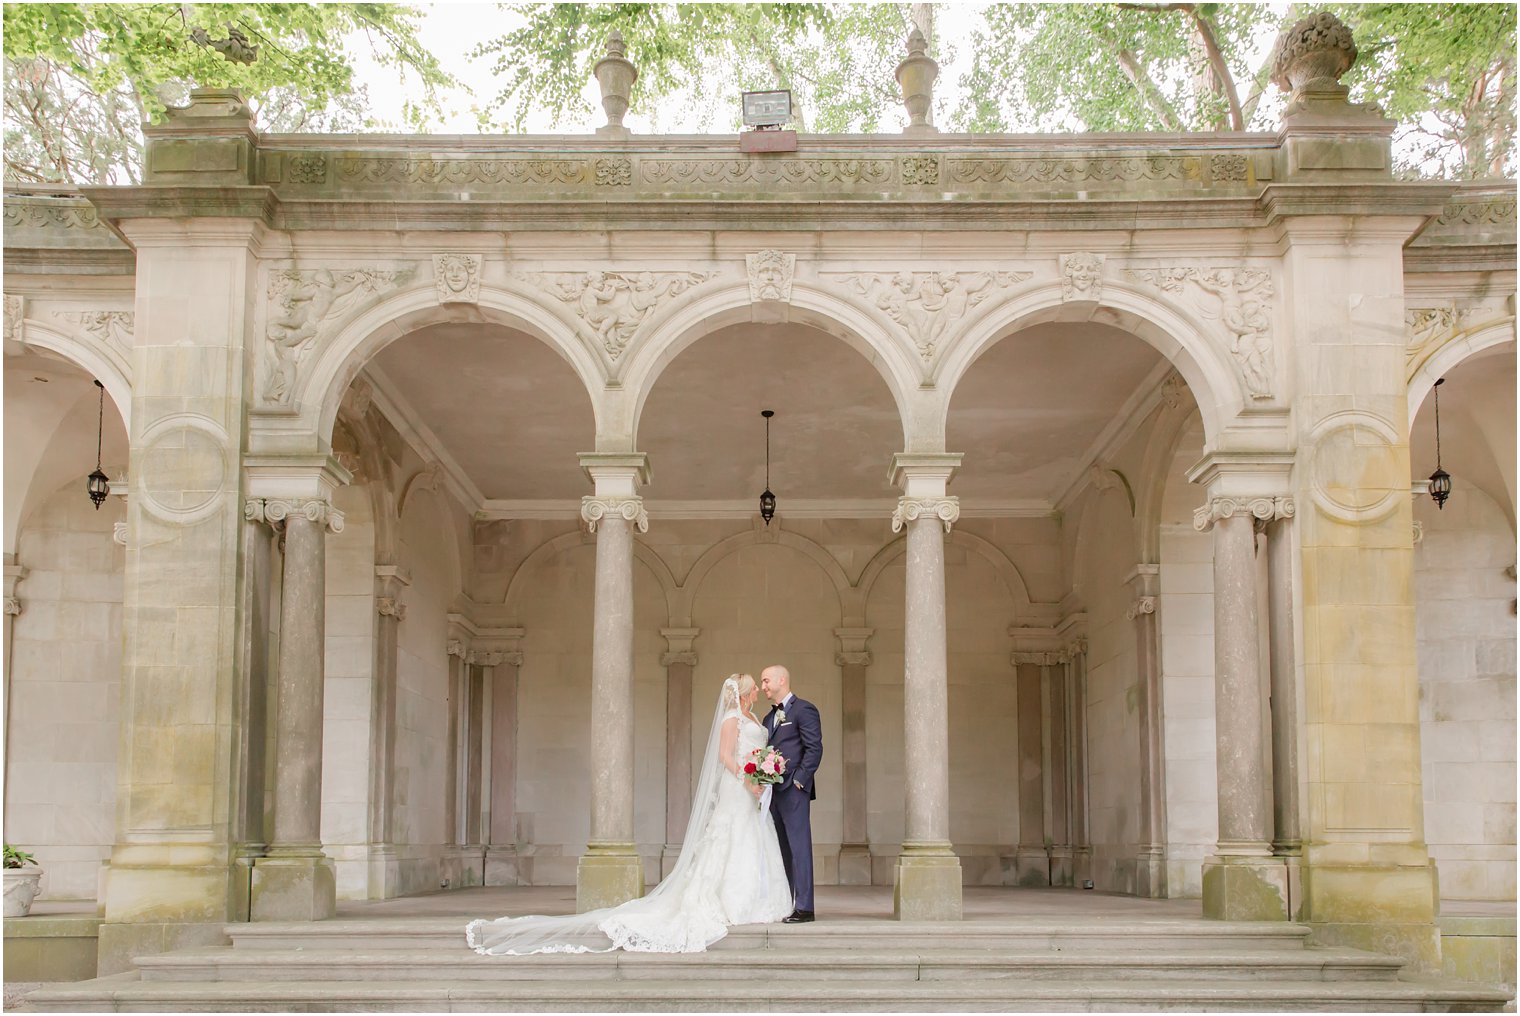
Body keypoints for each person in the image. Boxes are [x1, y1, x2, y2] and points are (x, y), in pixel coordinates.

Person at [466, 674, 793, 955]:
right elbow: (725, 755)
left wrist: (763, 774)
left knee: (754, 840)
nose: (757, 691)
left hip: (753, 791)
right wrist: (747, 779)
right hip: (737, 788)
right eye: (754, 687)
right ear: (745, 691)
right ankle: (729, 903)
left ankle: (760, 901)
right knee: (730, 840)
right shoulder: (732, 718)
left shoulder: (754, 718)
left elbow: (757, 752)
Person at [759, 664, 823, 923]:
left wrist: (799, 780)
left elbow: (814, 748)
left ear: (781, 680)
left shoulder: (804, 709)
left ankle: (805, 907)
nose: (763, 687)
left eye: (765, 681)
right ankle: (786, 901)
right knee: (780, 849)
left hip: (794, 790)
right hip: (772, 792)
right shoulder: (767, 718)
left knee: (799, 847)